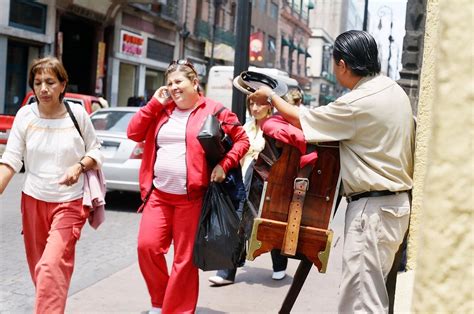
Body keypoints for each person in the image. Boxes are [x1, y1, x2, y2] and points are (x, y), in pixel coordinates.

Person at [249, 30, 414, 313]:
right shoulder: (392, 90)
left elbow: (303, 119)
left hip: (372, 211)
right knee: (369, 293)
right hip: (394, 206)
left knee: (362, 301)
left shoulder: (358, 101)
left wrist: (273, 99)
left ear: (342, 65)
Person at [127, 59, 249, 314]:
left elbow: (242, 140)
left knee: (184, 260)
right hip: (158, 195)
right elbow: (133, 133)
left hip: (192, 199)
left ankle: (178, 309)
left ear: (194, 83)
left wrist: (223, 165)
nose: (173, 87)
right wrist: (153, 103)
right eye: (169, 83)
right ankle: (160, 301)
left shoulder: (214, 110)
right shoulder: (162, 110)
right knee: (146, 247)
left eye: (178, 81)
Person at [0, 56, 103, 313]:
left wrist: (79, 166)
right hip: (33, 200)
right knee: (41, 271)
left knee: (50, 266)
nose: (43, 88)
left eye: (50, 82)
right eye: (37, 83)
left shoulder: (77, 114)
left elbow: (96, 151)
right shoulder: (25, 115)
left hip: (70, 202)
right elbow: (11, 159)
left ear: (62, 84)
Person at [208, 96, 275, 286]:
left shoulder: (276, 126)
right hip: (243, 181)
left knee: (270, 225)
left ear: (270, 105)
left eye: (259, 103)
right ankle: (226, 272)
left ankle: (279, 263)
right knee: (238, 223)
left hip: (268, 185)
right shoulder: (247, 127)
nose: (254, 108)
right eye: (251, 104)